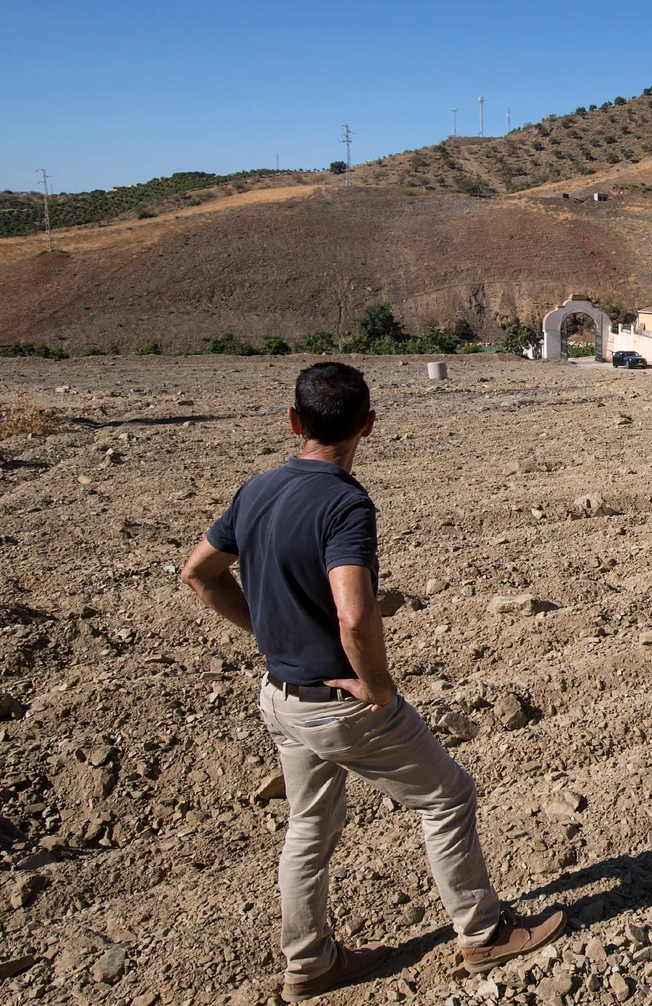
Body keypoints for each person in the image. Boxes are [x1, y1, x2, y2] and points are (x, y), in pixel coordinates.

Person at [180, 361, 563, 1002]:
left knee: (309, 826)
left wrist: (270, 636)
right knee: (448, 797)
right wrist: (379, 688)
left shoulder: (256, 491)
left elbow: (198, 572)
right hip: (339, 704)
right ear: (369, 425)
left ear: (294, 422)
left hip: (281, 698)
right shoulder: (344, 504)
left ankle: (309, 964)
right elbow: (355, 614)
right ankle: (483, 933)